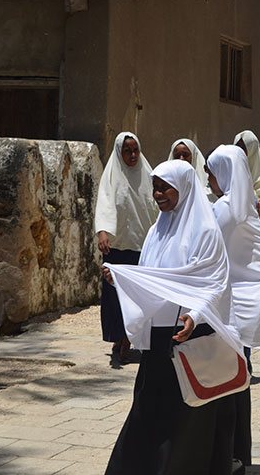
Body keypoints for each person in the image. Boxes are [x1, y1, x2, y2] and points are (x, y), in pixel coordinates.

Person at [103, 159, 240, 475]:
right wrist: (122, 278)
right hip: (158, 338)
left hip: (189, 335)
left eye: (165, 187)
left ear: (185, 187)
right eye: (155, 187)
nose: (159, 194)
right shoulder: (156, 230)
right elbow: (153, 277)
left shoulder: (205, 230)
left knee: (185, 418)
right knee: (147, 412)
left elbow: (214, 280)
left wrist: (194, 314)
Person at [205, 144, 260, 469]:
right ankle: (238, 453)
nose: (208, 179)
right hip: (243, 306)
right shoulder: (245, 205)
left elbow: (203, 249)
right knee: (238, 382)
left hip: (228, 308)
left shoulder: (224, 209)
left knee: (224, 384)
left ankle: (226, 455)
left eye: (211, 172)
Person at [94, 132, 158, 368]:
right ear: (119, 153)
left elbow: (155, 209)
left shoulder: (147, 177)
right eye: (127, 151)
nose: (132, 155)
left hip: (142, 248)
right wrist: (103, 233)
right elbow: (105, 205)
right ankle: (120, 339)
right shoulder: (112, 177)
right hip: (117, 247)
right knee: (115, 297)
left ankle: (128, 340)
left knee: (136, 298)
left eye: (135, 150)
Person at [168, 137, 215, 202]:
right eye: (177, 156)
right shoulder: (167, 186)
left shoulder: (210, 187)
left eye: (185, 155)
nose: (181, 158)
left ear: (194, 156)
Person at [234, 130, 260, 199]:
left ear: (252, 150)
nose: (239, 151)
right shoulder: (230, 172)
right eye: (237, 147)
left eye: (243, 148)